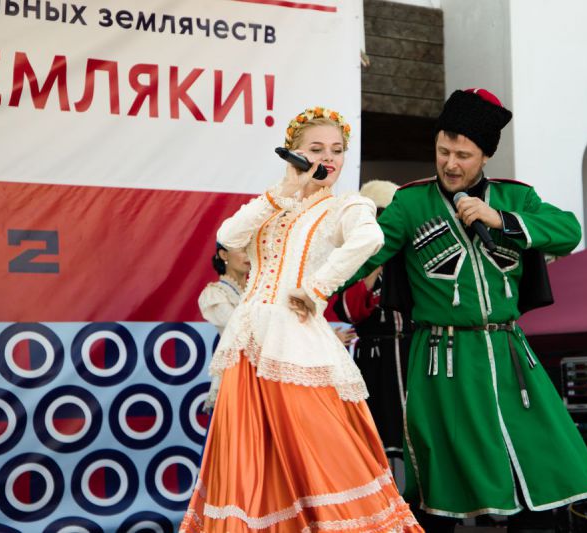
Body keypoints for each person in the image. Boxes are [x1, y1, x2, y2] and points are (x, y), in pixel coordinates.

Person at [347, 88, 587, 531]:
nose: (450, 164)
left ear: (485, 156)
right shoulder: (410, 204)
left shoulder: (515, 198)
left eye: (463, 155)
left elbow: (568, 231)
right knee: (442, 485)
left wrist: (499, 220)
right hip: (443, 360)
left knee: (536, 470)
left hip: (510, 356)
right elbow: (362, 256)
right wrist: (303, 282)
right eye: (443, 151)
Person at [179, 107, 421, 532]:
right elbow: (228, 237)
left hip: (295, 345)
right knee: (252, 461)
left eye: (337, 150)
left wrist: (316, 288)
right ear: (294, 153)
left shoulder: (345, 205)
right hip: (247, 346)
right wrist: (286, 189)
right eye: (316, 149)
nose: (328, 158)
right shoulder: (274, 204)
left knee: (319, 456)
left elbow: (370, 237)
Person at [332, 180, 411, 458]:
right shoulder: (353, 260)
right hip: (374, 357)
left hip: (410, 350)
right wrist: (375, 262)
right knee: (377, 431)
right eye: (378, 215)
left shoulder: (410, 257)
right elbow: (350, 311)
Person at [197, 243, 250, 411]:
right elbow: (238, 327)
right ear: (224, 255)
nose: (249, 255)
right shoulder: (215, 293)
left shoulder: (259, 291)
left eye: (251, 249)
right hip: (236, 370)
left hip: (265, 369)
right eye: (242, 249)